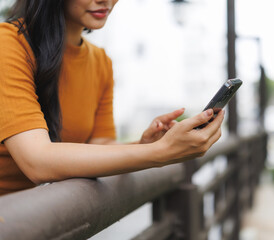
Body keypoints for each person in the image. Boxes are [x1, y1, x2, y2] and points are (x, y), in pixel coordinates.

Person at [0, 0, 224, 196]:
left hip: (47, 220)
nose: (105, 0)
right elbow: (37, 162)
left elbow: (100, 143)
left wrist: (144, 144)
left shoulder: (100, 62)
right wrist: (161, 151)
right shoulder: (8, 44)